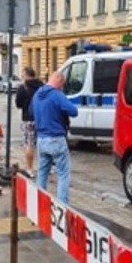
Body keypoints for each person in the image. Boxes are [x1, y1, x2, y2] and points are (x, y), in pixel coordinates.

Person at [31, 71, 78, 203]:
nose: (61, 88)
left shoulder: (37, 94)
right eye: (62, 85)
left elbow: (30, 112)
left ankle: (40, 204)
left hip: (41, 139)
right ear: (60, 81)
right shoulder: (57, 95)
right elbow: (74, 111)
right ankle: (62, 206)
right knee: (63, 174)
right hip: (56, 138)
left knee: (42, 173)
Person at [14, 67, 44, 175]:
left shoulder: (23, 87)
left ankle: (30, 168)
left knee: (29, 144)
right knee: (42, 143)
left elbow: (18, 104)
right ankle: (44, 168)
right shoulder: (42, 86)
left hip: (28, 119)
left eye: (22, 75)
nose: (22, 77)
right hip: (41, 119)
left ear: (26, 75)